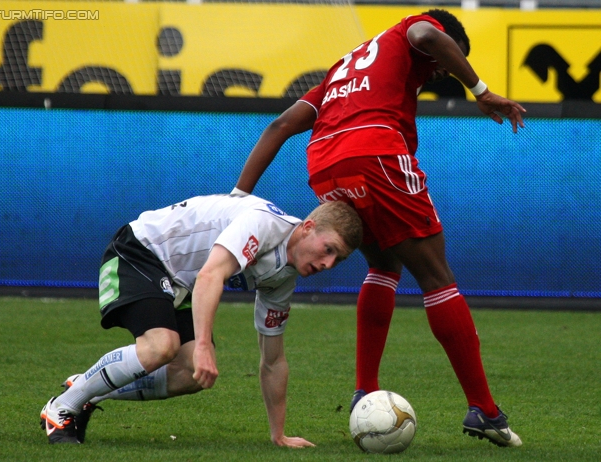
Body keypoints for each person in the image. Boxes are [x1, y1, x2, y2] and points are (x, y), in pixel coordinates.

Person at [232, 9, 525, 448]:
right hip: (376, 152)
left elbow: (281, 125)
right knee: (437, 279)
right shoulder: (414, 29)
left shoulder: (342, 71)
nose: (444, 69)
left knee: (385, 265)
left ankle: (364, 390)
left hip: (325, 168)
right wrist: (481, 91)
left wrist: (237, 200)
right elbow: (428, 35)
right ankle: (484, 409)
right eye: (449, 60)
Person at [40, 193, 363, 447]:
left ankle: (86, 388)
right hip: (141, 251)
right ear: (307, 228)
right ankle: (61, 410)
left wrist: (278, 434)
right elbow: (211, 275)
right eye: (328, 249)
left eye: (339, 258)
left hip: (179, 282)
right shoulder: (264, 224)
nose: (329, 263)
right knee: (161, 347)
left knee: (190, 376)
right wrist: (205, 344)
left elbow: (273, 360)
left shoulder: (284, 278)